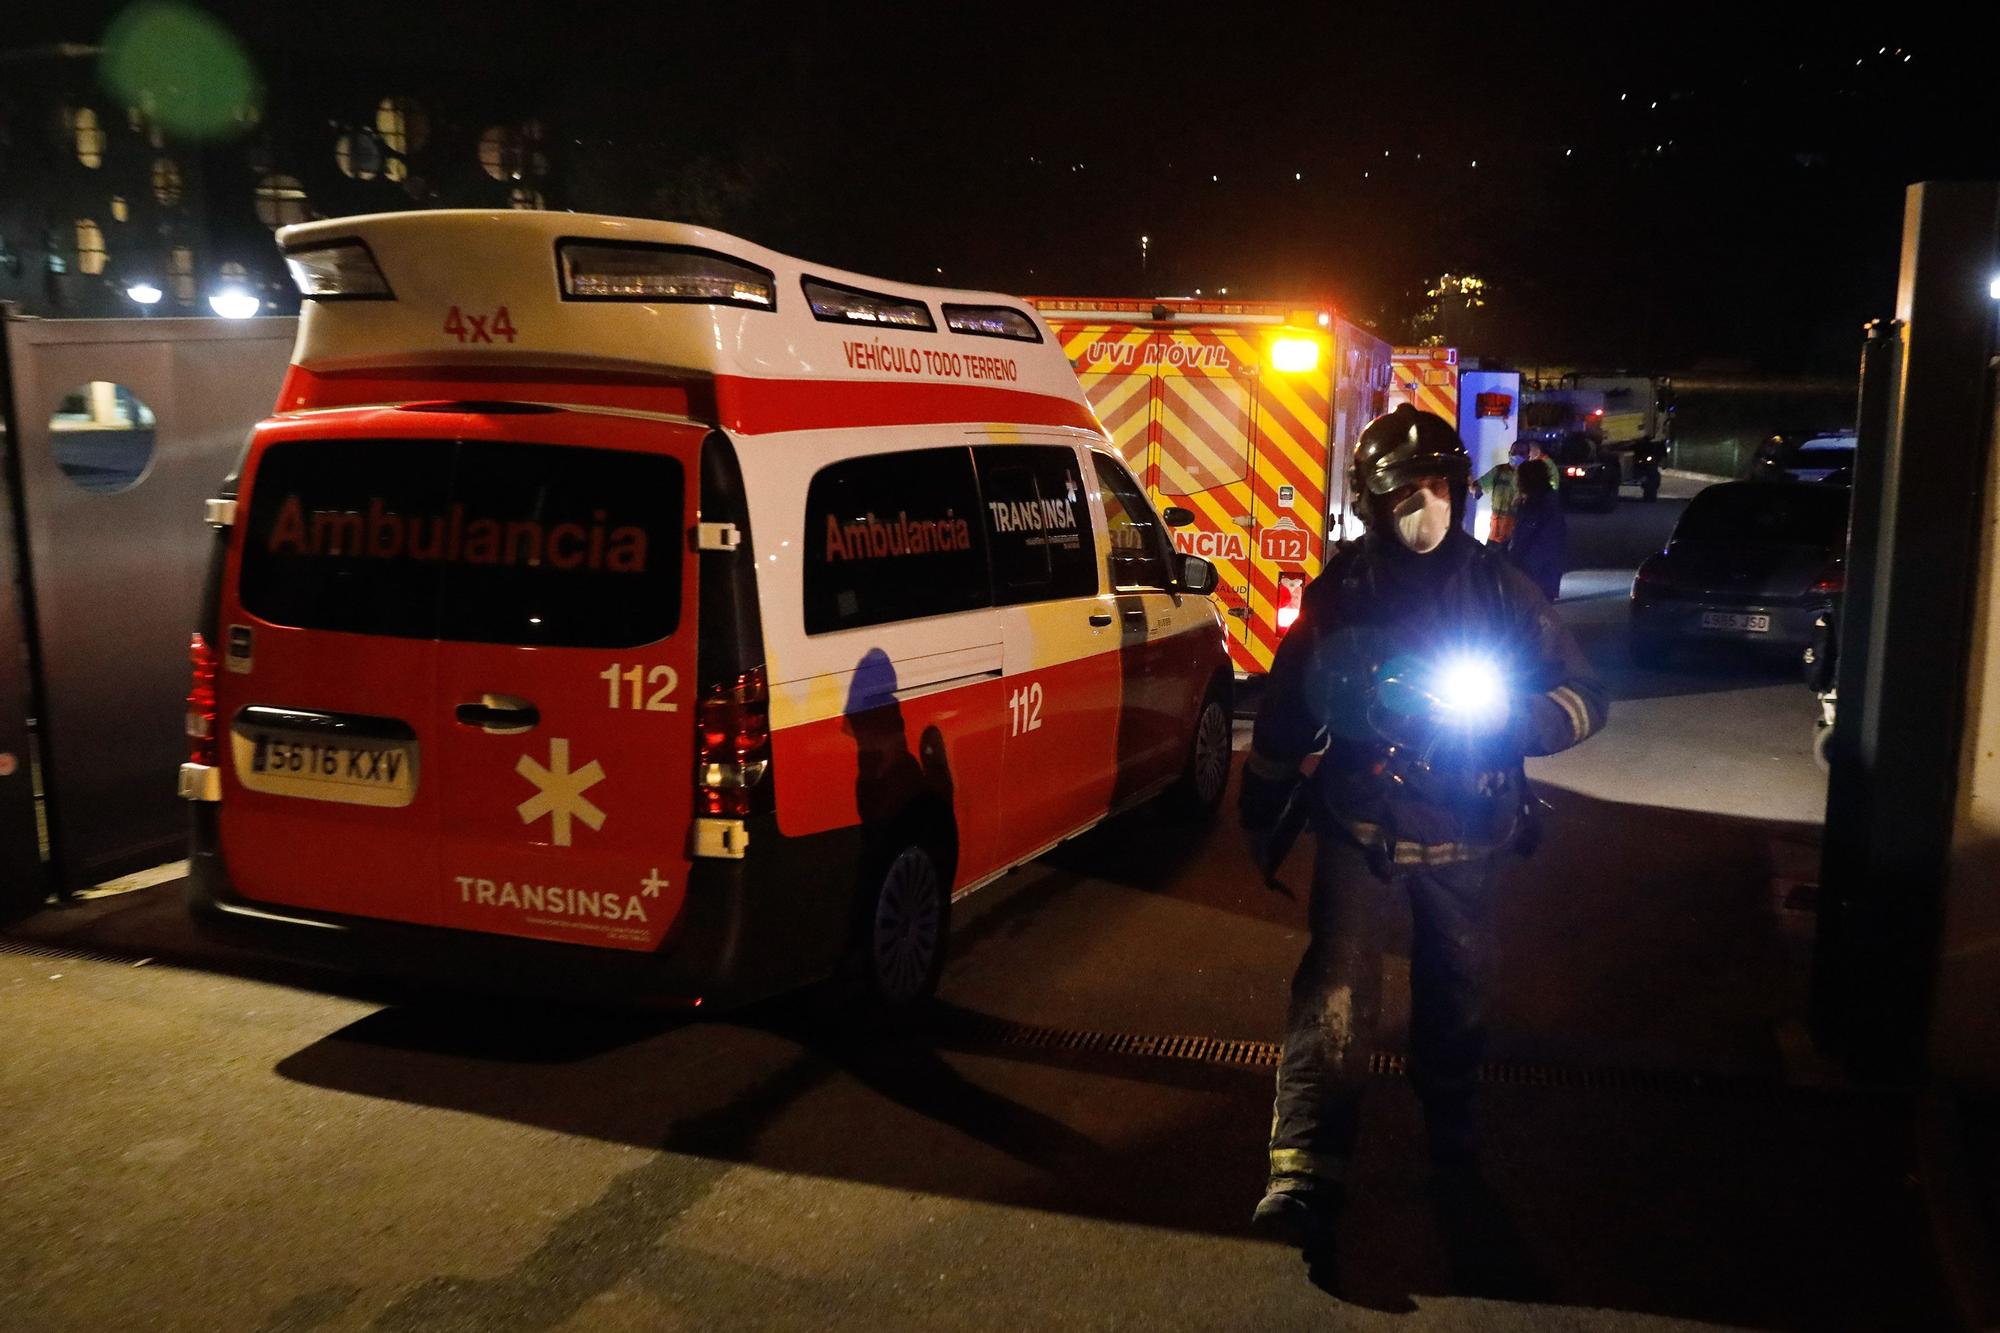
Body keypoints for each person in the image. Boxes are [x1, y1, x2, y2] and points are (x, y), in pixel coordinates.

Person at [1238, 404, 1607, 1259]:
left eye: (1438, 486)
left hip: (1469, 827)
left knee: (1459, 992)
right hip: (1359, 822)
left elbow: (1587, 695)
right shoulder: (1342, 594)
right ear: (1374, 502)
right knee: (1334, 994)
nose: (1424, 505)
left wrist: (1530, 721)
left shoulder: (1501, 589)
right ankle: (1303, 1172)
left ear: (1461, 490)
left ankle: (1453, 1148)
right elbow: (1289, 707)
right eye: (1405, 490)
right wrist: (1260, 800)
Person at [1506, 458, 1566, 602]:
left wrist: (1514, 563)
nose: (1516, 482)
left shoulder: (1540, 505)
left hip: (1536, 576)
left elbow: (1529, 539)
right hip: (1537, 575)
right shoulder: (1540, 501)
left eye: (1519, 478)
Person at [1469, 441, 1529, 544]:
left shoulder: (1531, 476)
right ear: (1509, 453)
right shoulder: (1499, 471)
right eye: (1514, 452)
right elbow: (1478, 486)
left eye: (1521, 453)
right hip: (1496, 532)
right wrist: (1475, 489)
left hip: (1518, 535)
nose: (1517, 456)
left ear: (1528, 457)